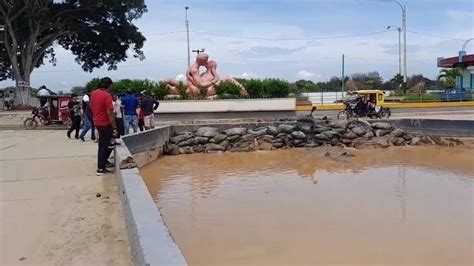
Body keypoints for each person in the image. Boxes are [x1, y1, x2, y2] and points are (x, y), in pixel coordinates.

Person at [90, 77, 118, 176]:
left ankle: (103, 164)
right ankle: (101, 168)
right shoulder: (107, 96)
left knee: (103, 145)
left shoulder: (94, 93)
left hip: (97, 123)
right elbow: (110, 113)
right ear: (109, 85)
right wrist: (114, 127)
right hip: (105, 123)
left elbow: (91, 106)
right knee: (106, 145)